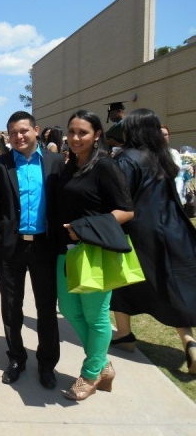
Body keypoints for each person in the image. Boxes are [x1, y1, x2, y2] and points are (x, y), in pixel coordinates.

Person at [55, 109, 134, 401]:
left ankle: (90, 374)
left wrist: (86, 228)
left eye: (83, 133)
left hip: (95, 252)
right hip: (67, 251)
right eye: (72, 132)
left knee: (96, 316)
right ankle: (103, 366)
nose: (75, 138)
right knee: (70, 310)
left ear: (97, 135)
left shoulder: (105, 167)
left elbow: (126, 211)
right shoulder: (70, 165)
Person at [0, 111, 64, 389]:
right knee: (11, 307)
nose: (19, 136)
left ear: (36, 130)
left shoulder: (56, 162)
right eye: (13, 132)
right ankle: (16, 357)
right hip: (11, 248)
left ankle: (47, 363)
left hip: (44, 246)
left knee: (46, 309)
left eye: (24, 131)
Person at [110, 109, 196, 374]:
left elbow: (121, 200)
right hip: (171, 228)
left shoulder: (127, 159)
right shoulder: (162, 157)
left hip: (138, 232)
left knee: (120, 281)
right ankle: (190, 342)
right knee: (169, 286)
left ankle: (125, 336)